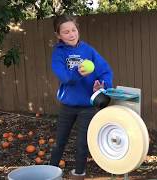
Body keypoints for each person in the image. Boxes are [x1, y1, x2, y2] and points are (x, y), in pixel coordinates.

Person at [49, 14, 113, 179]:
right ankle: (50, 172)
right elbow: (65, 77)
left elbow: (105, 71)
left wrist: (102, 85)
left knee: (82, 143)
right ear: (58, 35)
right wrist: (78, 72)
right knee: (59, 141)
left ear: (78, 30)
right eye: (66, 32)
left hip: (88, 105)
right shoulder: (58, 54)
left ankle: (79, 173)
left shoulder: (88, 50)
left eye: (73, 30)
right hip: (67, 106)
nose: (71, 34)